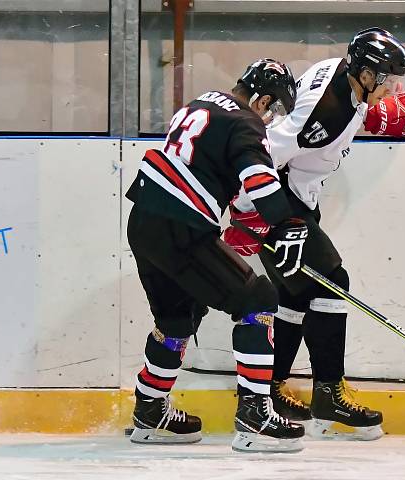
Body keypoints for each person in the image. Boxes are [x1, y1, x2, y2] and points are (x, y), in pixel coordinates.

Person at [223, 28, 405, 440]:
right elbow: (263, 149)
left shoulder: (339, 73)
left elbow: (327, 115)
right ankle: (329, 393)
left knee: (297, 294)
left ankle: (271, 387)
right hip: (279, 205)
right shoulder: (325, 112)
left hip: (298, 196)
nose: (390, 89)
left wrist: (372, 115)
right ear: (366, 73)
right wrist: (249, 214)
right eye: (385, 81)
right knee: (335, 283)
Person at [125, 58, 311, 453]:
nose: (270, 116)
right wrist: (283, 224)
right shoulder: (246, 121)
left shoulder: (200, 104)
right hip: (181, 228)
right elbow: (258, 178)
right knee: (258, 298)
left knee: (177, 319)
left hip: (144, 222)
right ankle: (255, 417)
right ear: (262, 99)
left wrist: (247, 217)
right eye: (273, 107)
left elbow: (208, 171)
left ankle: (149, 410)